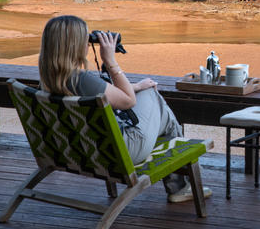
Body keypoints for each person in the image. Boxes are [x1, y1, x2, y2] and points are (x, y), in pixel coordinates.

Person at [38, 15, 211, 203]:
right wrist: (110, 61)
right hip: (118, 153)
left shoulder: (48, 79)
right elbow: (128, 101)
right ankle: (182, 184)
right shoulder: (81, 79)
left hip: (74, 150)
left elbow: (113, 94)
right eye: (84, 39)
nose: (88, 44)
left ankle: (181, 181)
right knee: (154, 97)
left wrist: (136, 86)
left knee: (146, 94)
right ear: (73, 45)